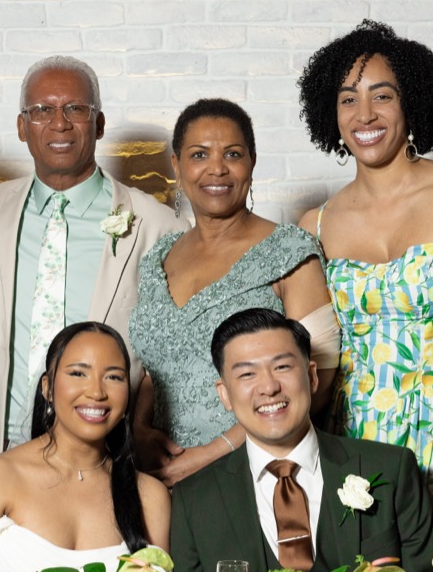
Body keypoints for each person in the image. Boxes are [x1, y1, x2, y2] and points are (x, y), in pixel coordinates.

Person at [296, 20, 433, 572]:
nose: (364, 114)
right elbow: (313, 369)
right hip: (356, 450)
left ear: (412, 101)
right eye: (348, 99)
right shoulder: (314, 225)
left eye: (382, 95)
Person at [0, 55, 184, 454]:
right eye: (42, 110)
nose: (59, 123)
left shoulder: (157, 225)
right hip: (0, 445)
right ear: (21, 126)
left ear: (98, 125)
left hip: (104, 447)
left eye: (76, 109)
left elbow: (170, 351)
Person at [171, 309, 433, 572]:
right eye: (247, 374)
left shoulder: (391, 468)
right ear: (225, 394)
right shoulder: (194, 500)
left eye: (282, 366)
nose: (268, 387)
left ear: (312, 376)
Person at [127, 98, 339, 488]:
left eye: (233, 154)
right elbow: (155, 367)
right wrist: (139, 430)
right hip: (157, 477)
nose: (217, 168)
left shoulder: (290, 251)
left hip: (250, 473)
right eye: (199, 154)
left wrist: (213, 454)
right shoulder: (158, 257)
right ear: (176, 165)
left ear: (252, 163)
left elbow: (318, 380)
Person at [0, 322, 170, 572]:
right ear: (47, 387)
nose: (96, 392)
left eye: (114, 377)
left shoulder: (150, 496)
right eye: (79, 373)